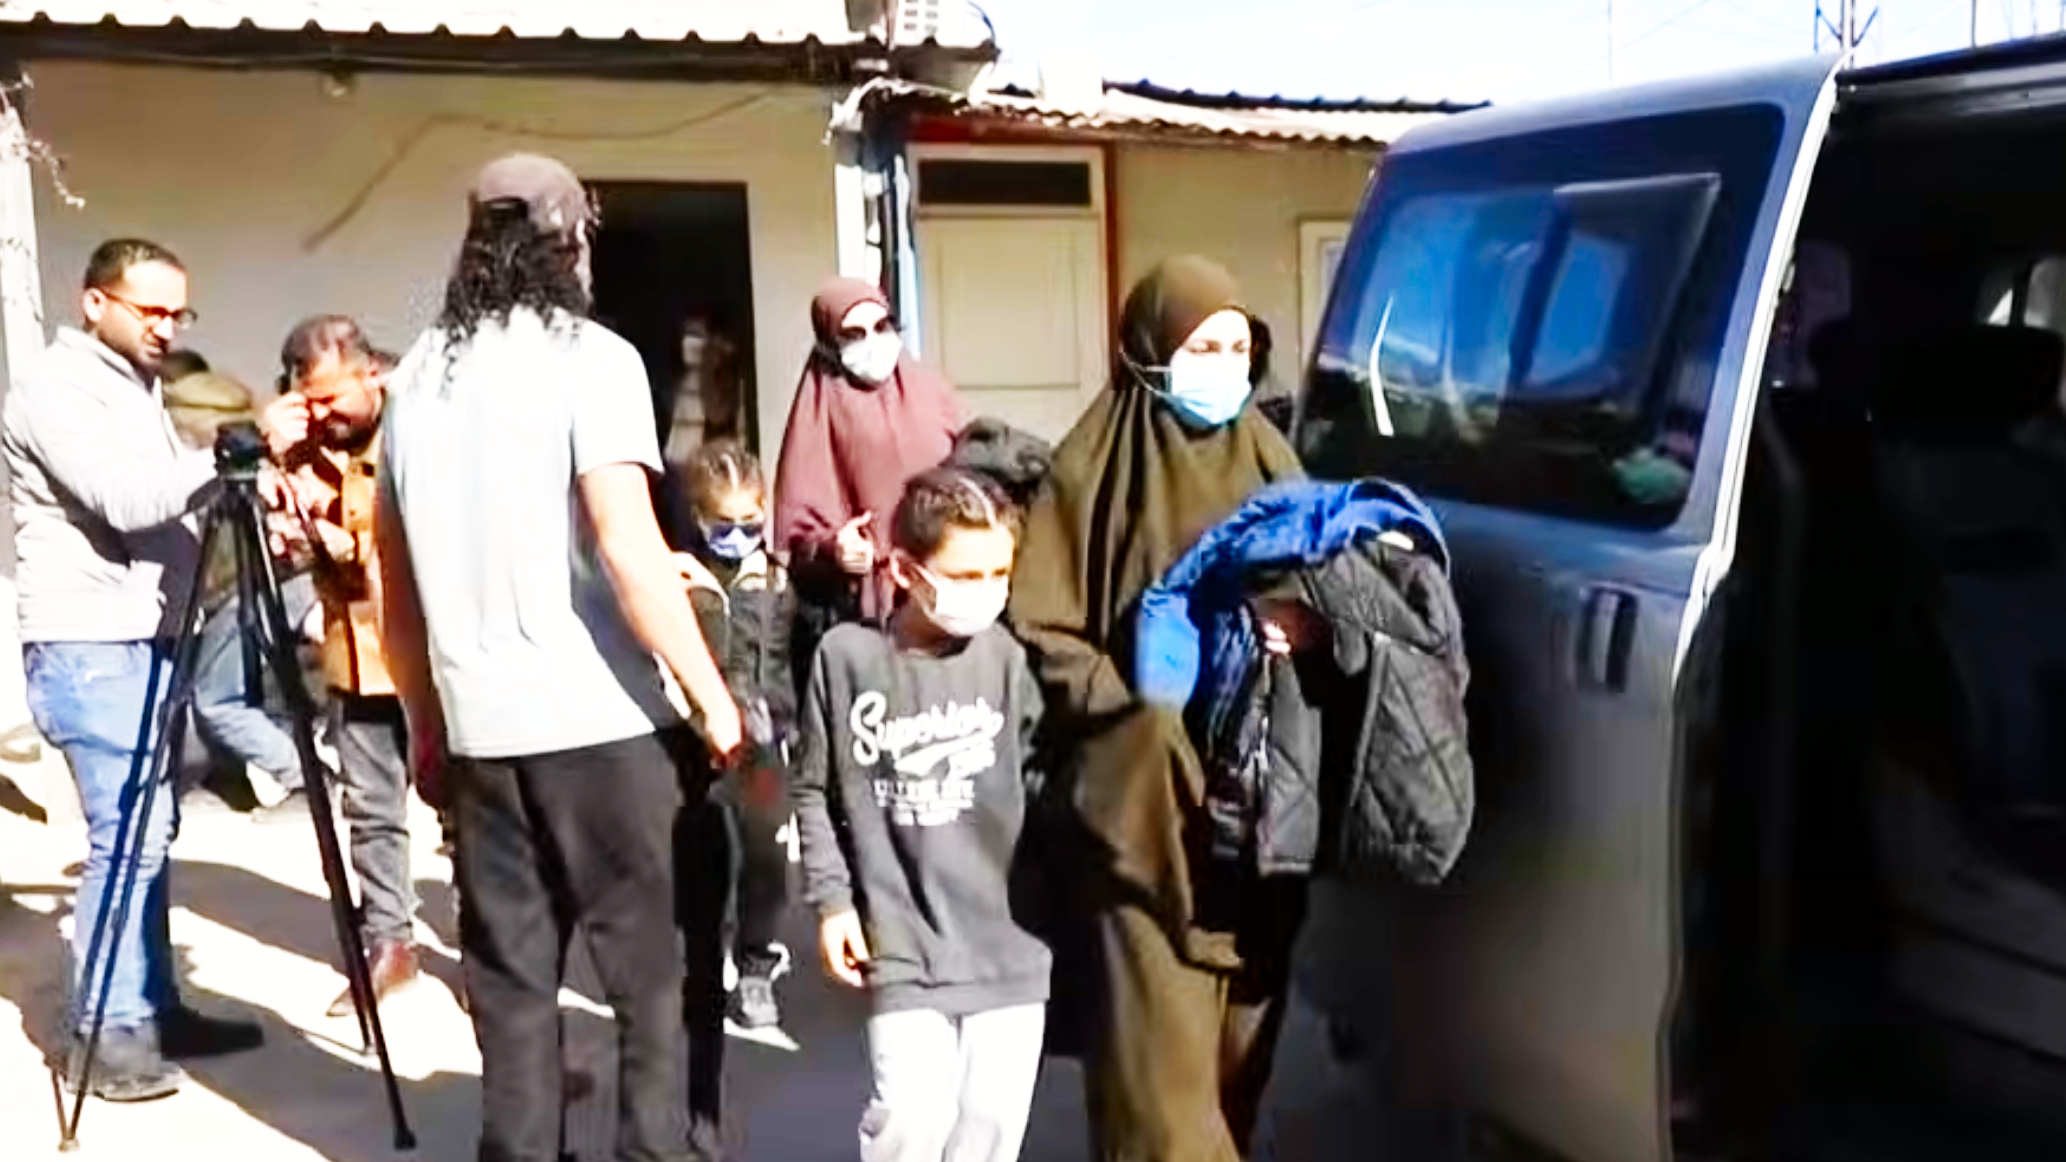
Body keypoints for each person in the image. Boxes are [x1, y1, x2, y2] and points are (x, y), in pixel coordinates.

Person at [376, 153, 744, 1162]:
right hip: (605, 728)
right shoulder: (594, 358)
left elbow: (396, 588)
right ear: (571, 241)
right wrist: (714, 702)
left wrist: (425, 724)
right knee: (653, 986)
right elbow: (628, 549)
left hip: (481, 735)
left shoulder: (415, 376)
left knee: (511, 991)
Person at [1007, 257, 1305, 1162]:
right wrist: (1133, 711)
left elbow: (1328, 589)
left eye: (1237, 349)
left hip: (1255, 819)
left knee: (1236, 1068)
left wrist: (1307, 628)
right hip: (1136, 809)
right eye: (1200, 348)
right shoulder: (1089, 472)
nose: (1223, 368)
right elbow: (1042, 624)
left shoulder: (1271, 459)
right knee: (1158, 1095)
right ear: (1148, 351)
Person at [4, 238, 264, 1102]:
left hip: (146, 640)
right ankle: (106, 1033)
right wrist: (234, 447)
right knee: (128, 839)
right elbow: (125, 499)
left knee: (149, 834)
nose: (166, 328)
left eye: (177, 313)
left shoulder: (132, 386)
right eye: (149, 310)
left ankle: (151, 1008)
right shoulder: (56, 388)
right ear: (95, 303)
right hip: (92, 646)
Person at [794, 465, 1051, 1162]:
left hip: (1009, 944)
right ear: (905, 571)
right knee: (910, 1118)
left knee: (989, 1126)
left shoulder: (1016, 660)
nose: (986, 590)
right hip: (902, 941)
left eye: (1000, 572)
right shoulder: (847, 659)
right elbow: (813, 790)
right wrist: (833, 904)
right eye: (965, 575)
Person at [262, 315, 422, 1017]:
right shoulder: (304, 448)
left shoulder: (418, 432)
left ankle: (491, 949)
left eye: (332, 397)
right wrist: (277, 484)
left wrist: (341, 536)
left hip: (423, 651)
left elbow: (415, 541)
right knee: (371, 810)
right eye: (309, 402)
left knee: (469, 813)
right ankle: (390, 942)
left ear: (371, 373)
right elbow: (288, 544)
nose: (323, 414)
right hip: (352, 654)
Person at [773, 277, 965, 654]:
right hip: (868, 610)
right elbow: (801, 523)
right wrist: (834, 547)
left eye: (881, 326)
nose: (873, 341)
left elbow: (968, 471)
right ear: (829, 343)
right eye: (854, 334)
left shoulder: (933, 392)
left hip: (946, 587)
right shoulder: (821, 410)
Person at [674, 441, 795, 1031]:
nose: (739, 534)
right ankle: (697, 965)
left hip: (762, 742)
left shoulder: (777, 579)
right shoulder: (679, 576)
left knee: (764, 857)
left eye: (750, 521)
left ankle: (755, 967)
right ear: (699, 516)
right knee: (696, 858)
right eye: (724, 523)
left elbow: (796, 653)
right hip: (692, 738)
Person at [164, 369, 320, 812]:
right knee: (225, 692)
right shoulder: (253, 468)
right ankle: (231, 777)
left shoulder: (229, 479)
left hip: (251, 592)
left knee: (219, 703)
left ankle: (308, 778)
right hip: (247, 594)